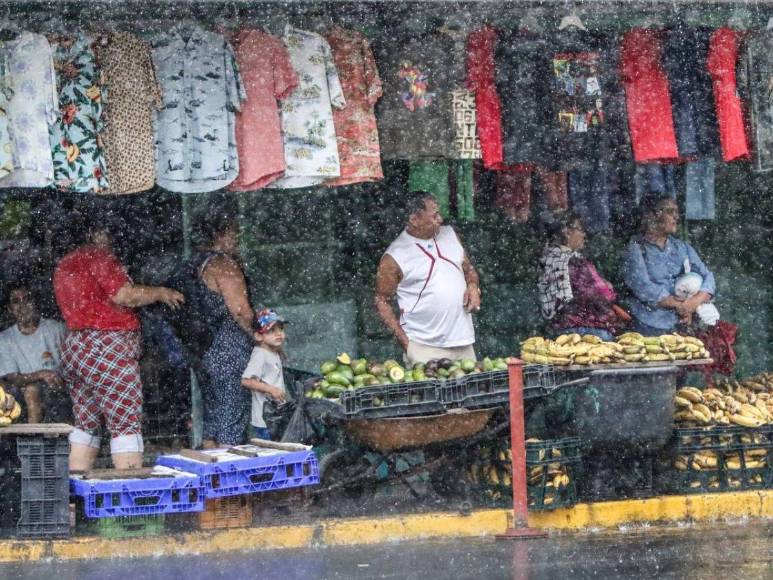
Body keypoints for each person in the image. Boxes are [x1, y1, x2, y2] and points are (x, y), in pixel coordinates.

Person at [53, 217, 184, 471]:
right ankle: (129, 496)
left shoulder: (65, 264)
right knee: (125, 422)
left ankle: (72, 499)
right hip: (107, 347)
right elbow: (124, 295)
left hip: (77, 347)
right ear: (95, 233)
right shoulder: (99, 258)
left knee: (86, 424)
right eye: (107, 233)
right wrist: (161, 292)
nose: (112, 240)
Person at [375, 191, 481, 365]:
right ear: (414, 219)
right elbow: (381, 300)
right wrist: (408, 346)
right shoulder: (394, 256)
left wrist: (472, 286)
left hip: (463, 343)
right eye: (434, 215)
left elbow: (469, 270)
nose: (440, 219)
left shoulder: (450, 234)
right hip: (423, 348)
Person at [192, 208, 255, 448]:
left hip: (205, 350)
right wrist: (261, 337)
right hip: (230, 349)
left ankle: (211, 475)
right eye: (234, 233)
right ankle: (230, 478)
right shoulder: (224, 265)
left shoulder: (199, 263)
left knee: (213, 420)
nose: (237, 239)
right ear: (221, 234)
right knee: (232, 419)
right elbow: (240, 311)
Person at [622, 194, 715, 336]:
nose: (676, 217)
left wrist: (694, 302)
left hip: (681, 324)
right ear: (652, 216)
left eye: (677, 212)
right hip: (648, 325)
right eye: (670, 212)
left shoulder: (681, 247)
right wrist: (677, 304)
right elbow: (642, 286)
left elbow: (708, 277)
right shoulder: (636, 248)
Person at [537, 211, 622, 342]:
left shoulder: (549, 257)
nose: (584, 234)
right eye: (580, 230)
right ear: (567, 232)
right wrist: (608, 287)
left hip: (557, 327)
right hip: (581, 329)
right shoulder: (573, 262)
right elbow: (603, 295)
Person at [0, 284, 68, 423]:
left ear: (34, 302)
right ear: (10, 309)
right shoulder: (5, 339)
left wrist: (58, 379)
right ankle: (33, 439)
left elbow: (72, 365)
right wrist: (42, 374)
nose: (23, 305)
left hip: (60, 387)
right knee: (31, 390)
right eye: (16, 301)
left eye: (26, 299)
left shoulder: (56, 329)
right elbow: (14, 379)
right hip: (23, 393)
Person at [241, 309, 288, 441]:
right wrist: (271, 389)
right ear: (258, 336)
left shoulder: (272, 351)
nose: (279, 334)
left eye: (281, 329)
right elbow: (246, 381)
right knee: (271, 452)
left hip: (274, 416)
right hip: (265, 420)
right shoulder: (260, 355)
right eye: (272, 331)